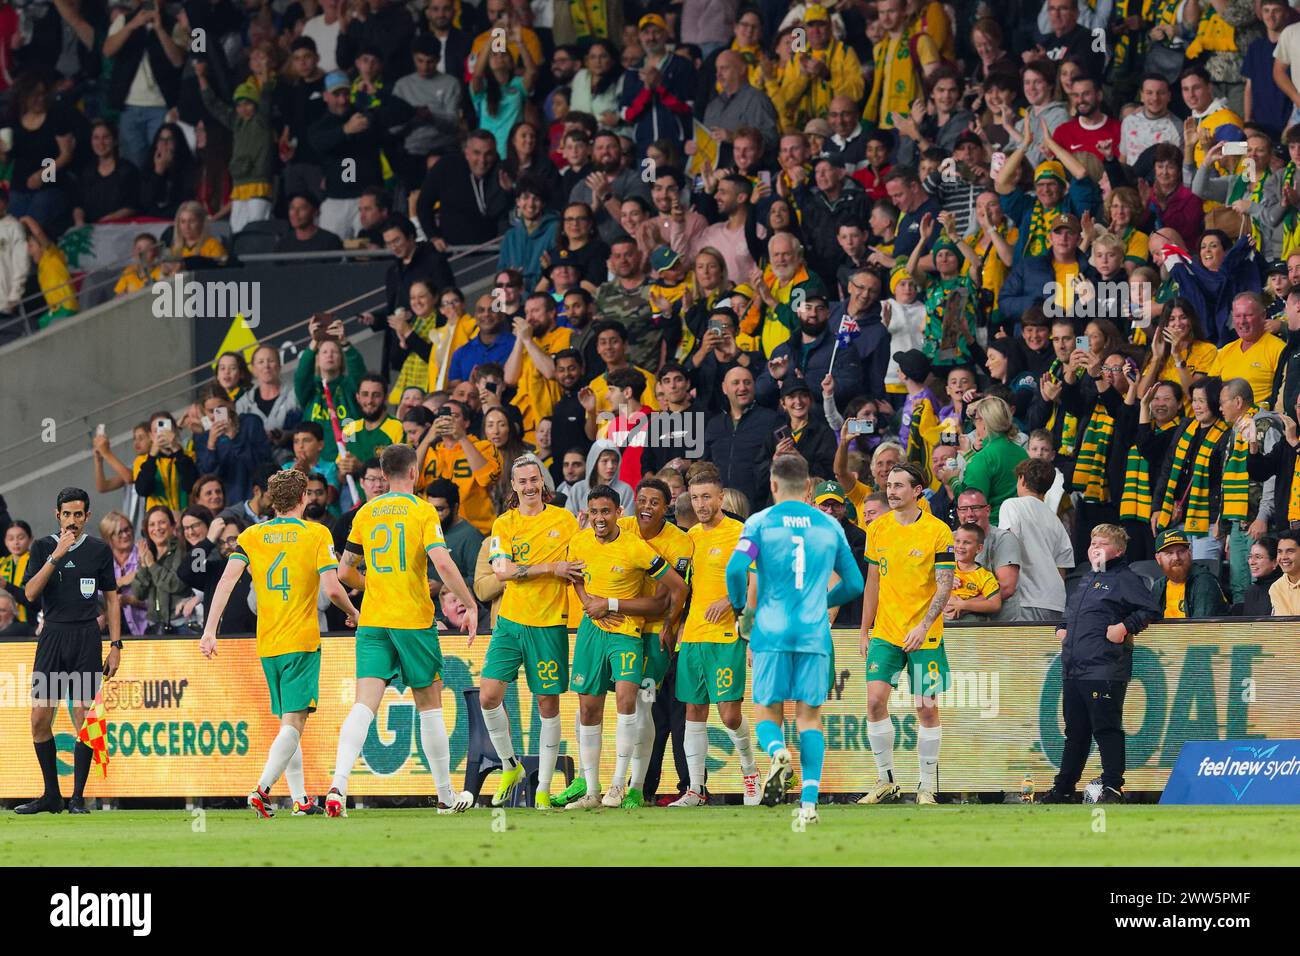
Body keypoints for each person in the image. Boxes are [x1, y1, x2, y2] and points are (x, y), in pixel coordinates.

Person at [326, 444, 478, 816]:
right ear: (413, 473)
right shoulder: (423, 511)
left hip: (374, 619)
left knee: (364, 705)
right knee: (429, 707)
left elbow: (344, 571)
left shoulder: (366, 511)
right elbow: (441, 563)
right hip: (412, 620)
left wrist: (374, 585)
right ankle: (444, 796)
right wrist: (470, 603)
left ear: (383, 472)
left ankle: (337, 786)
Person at [730, 454, 863, 825]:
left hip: (770, 630)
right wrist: (822, 601)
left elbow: (736, 569)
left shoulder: (758, 523)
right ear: (808, 487)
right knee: (809, 718)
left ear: (773, 485)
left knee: (767, 713)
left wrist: (744, 612)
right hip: (813, 631)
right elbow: (855, 584)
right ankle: (808, 804)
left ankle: (776, 751)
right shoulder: (829, 526)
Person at [561, 485, 687, 810]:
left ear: (619, 513)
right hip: (591, 632)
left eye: (606, 512)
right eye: (594, 512)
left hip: (628, 631)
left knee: (628, 701)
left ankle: (620, 785)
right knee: (588, 708)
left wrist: (669, 623)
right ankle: (591, 791)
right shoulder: (579, 540)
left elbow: (678, 585)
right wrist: (587, 601)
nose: (599, 519)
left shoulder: (636, 547)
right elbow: (574, 575)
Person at [479, 455, 583, 808]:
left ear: (543, 482)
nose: (528, 487)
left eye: (533, 480)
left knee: (547, 704)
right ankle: (510, 766)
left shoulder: (565, 521)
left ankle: (542, 790)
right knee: (488, 696)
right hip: (510, 622)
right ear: (513, 486)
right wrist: (551, 567)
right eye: (521, 481)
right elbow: (502, 572)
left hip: (550, 622)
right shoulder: (503, 524)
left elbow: (581, 562)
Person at [15, 488, 121, 815]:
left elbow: (113, 598)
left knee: (83, 717)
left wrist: (116, 645)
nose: (72, 521)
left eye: (78, 515)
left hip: (86, 637)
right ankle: (51, 795)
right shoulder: (43, 547)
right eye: (67, 514)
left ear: (87, 516)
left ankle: (77, 798)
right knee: (39, 719)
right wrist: (55, 556)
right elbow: (30, 594)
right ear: (56, 514)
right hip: (53, 637)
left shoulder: (99, 551)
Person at [860, 463, 955, 806]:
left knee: (926, 708)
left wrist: (923, 625)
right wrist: (864, 628)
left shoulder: (938, 531)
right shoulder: (878, 529)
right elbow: (873, 581)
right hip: (885, 631)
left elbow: (944, 588)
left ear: (917, 491)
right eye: (888, 485)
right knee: (873, 702)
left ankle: (926, 785)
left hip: (924, 634)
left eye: (899, 485)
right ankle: (886, 780)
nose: (891, 490)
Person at [1042, 524, 1159, 804]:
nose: (1096, 547)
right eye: (1093, 542)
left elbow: (1151, 608)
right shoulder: (1085, 579)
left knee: (1106, 729)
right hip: (1074, 668)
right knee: (1076, 732)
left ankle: (1112, 787)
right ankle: (1064, 788)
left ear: (1118, 550)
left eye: (1103, 543)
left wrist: (1125, 626)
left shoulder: (1124, 578)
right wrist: (1062, 627)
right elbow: (1076, 614)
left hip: (1104, 667)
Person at [665, 465, 759, 807]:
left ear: (721, 497)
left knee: (730, 714)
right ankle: (695, 788)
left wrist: (732, 605)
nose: (701, 504)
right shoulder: (690, 539)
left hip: (727, 636)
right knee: (694, 710)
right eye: (695, 497)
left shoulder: (741, 533)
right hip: (692, 637)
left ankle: (750, 773)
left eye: (707, 497)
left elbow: (755, 583)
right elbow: (681, 588)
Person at [998, 458, 1075, 621]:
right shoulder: (1056, 521)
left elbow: (1007, 547)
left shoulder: (1011, 505)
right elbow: (1062, 569)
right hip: (1056, 602)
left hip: (1026, 600)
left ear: (1022, 479)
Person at [955, 396, 1028, 523]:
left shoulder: (983, 458)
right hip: (1022, 526)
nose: (974, 425)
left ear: (985, 422)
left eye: (976, 419)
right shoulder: (1023, 453)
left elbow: (971, 505)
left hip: (992, 530)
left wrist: (952, 481)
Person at [1150, 528, 1228, 619]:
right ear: (1158, 559)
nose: (1176, 557)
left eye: (1181, 551)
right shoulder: (1158, 586)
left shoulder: (1204, 582)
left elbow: (1199, 627)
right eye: (1169, 553)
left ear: (1190, 553)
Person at [945, 524, 1003, 622]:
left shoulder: (985, 576)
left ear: (979, 548)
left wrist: (963, 605)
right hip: (941, 618)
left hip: (970, 619)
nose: (960, 546)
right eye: (957, 541)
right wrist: (944, 582)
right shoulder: (945, 570)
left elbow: (995, 604)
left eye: (966, 542)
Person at [1242, 536, 1280, 615]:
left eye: (1258, 557)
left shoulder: (1284, 589)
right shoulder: (1251, 591)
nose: (1251, 562)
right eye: (1250, 557)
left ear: (1275, 562)